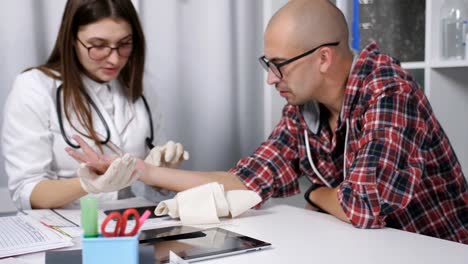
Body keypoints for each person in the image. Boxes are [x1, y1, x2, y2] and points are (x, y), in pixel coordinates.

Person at [67, 0, 468, 244]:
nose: (270, 78)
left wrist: (314, 195)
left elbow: (363, 208)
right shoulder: (303, 109)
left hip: (436, 250)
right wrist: (139, 169)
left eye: (277, 66)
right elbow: (245, 180)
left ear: (323, 58)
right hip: (375, 248)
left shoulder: (387, 89)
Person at [1, 0, 188, 210]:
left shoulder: (140, 90)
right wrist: (87, 184)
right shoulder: (35, 86)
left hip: (131, 224)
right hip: (67, 230)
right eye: (99, 46)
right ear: (71, 38)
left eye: (124, 43)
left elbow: (148, 191)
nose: (114, 59)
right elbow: (26, 191)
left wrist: (160, 174)